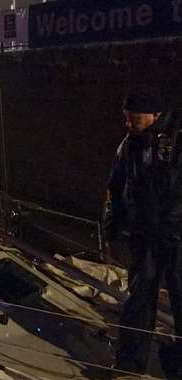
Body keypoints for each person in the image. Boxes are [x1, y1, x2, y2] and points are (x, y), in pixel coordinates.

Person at [104, 86, 182, 377]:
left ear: (154, 115)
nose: (127, 124)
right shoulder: (128, 146)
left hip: (176, 237)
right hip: (144, 236)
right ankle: (128, 364)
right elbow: (116, 186)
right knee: (139, 301)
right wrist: (111, 227)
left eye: (133, 119)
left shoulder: (177, 142)